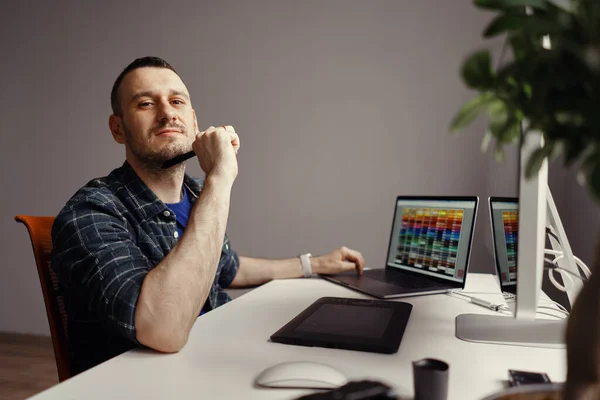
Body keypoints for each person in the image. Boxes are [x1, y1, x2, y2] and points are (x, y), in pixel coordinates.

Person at [51, 56, 365, 376]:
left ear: (194, 121)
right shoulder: (90, 211)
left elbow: (228, 267)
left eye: (177, 101)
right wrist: (221, 178)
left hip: (215, 360)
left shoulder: (196, 193)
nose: (167, 113)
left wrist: (313, 264)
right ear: (118, 128)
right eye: (146, 103)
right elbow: (163, 329)